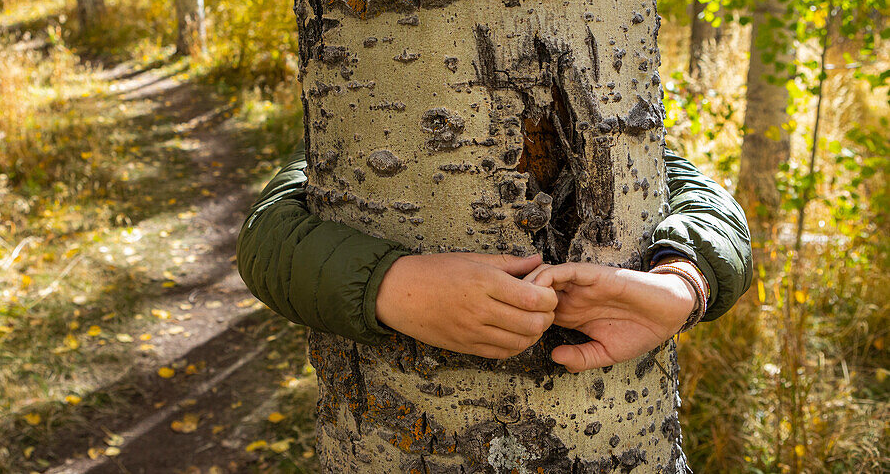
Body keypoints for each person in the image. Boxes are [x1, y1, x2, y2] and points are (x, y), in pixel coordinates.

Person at [237, 138, 751, 370]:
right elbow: (266, 235)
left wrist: (685, 283)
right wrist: (389, 286)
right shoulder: (345, 134)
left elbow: (702, 195)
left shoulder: (616, 131)